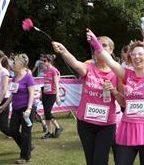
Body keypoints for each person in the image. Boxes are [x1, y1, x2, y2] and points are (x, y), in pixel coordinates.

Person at [86, 27, 144, 165]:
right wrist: (95, 43)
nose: (137, 57)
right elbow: (110, 62)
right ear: (130, 58)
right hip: (128, 130)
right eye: (133, 55)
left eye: (140, 54)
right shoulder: (126, 74)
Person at [52, 36, 122, 165]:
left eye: (104, 45)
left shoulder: (117, 72)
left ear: (111, 50)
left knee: (100, 160)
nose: (99, 48)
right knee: (90, 161)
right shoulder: (88, 67)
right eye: (97, 46)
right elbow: (74, 62)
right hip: (85, 124)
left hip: (106, 126)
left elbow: (123, 102)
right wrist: (63, 50)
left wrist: (114, 91)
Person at [0, 54, 36, 164]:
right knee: (12, 131)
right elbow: (12, 94)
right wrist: (3, 106)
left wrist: (29, 109)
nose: (12, 64)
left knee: (26, 133)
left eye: (14, 62)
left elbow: (32, 93)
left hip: (27, 108)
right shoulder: (14, 77)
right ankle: (27, 146)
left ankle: (25, 157)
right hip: (16, 108)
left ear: (20, 64)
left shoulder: (28, 77)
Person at [40, 54, 63, 139]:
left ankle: (58, 127)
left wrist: (57, 96)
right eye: (43, 60)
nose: (43, 62)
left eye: (45, 61)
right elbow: (45, 83)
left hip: (52, 94)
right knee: (46, 113)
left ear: (49, 61)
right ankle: (49, 132)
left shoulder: (54, 70)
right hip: (45, 93)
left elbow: (57, 84)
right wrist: (41, 94)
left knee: (48, 112)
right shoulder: (45, 70)